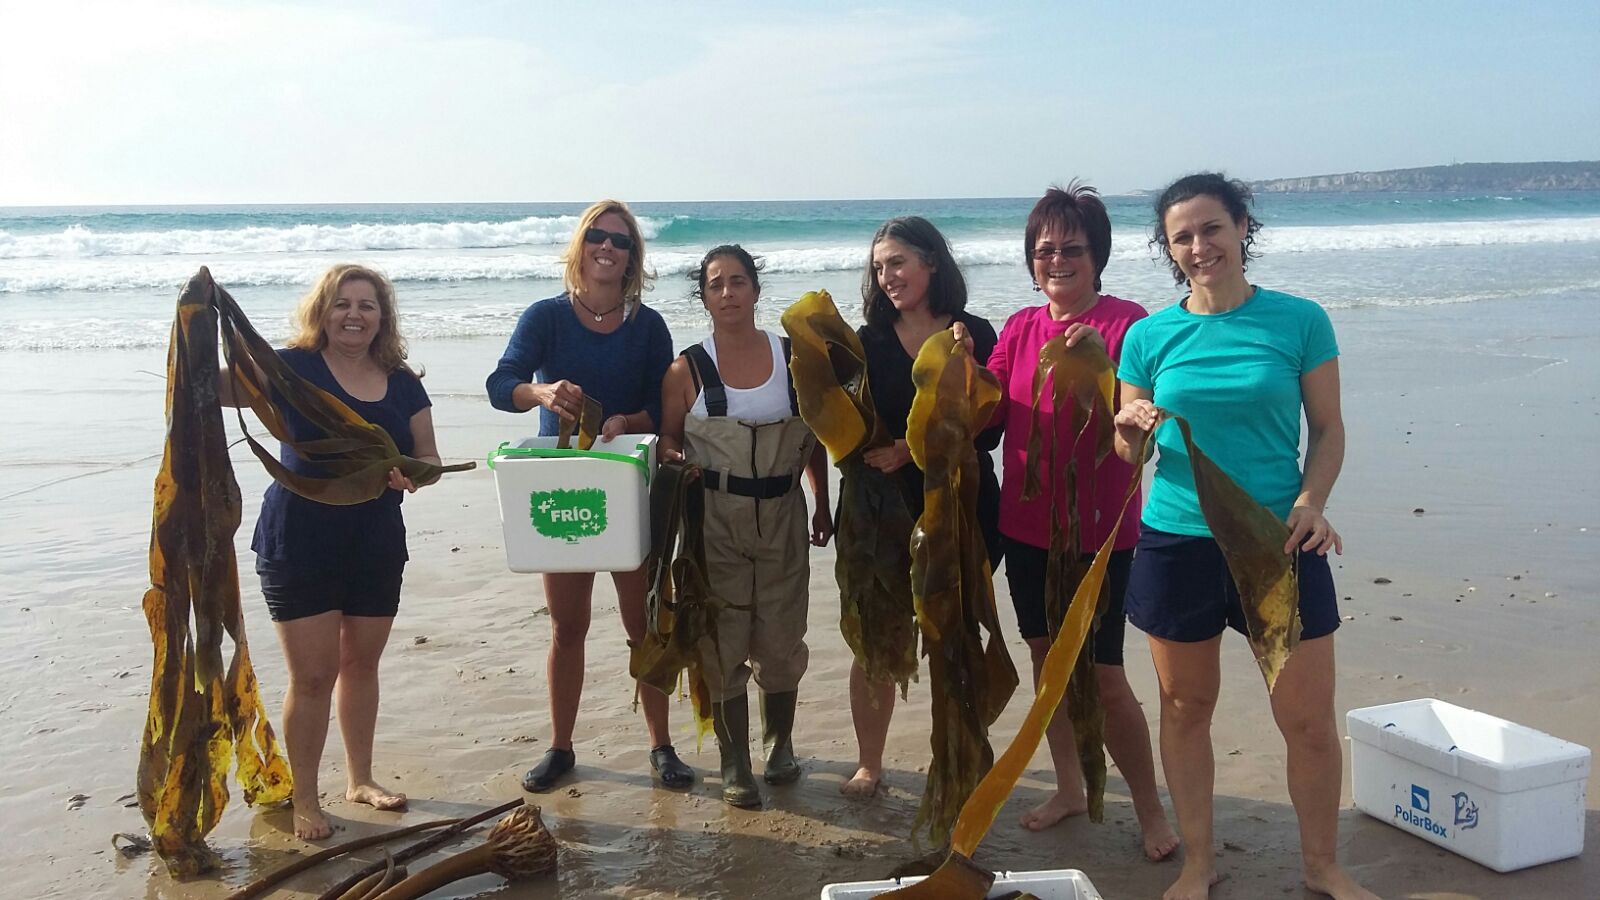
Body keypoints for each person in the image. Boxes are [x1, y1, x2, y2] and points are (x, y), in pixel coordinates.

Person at [1114, 174, 1375, 900]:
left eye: (1212, 229)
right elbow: (1127, 452)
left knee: (1307, 723)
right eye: (1183, 237)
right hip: (1177, 541)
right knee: (1184, 708)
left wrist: (1312, 501)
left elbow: (1327, 430)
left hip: (1278, 543)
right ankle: (1200, 863)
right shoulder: (1148, 337)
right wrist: (1127, 426)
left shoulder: (1299, 321)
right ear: (1169, 250)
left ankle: (1321, 865)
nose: (1200, 247)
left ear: (1242, 228)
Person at [974, 183, 1179, 860]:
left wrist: (1099, 361)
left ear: (1098, 256)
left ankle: (1150, 810)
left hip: (1101, 537)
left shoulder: (1129, 324)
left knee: (1103, 674)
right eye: (1044, 250)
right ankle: (1067, 787)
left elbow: (1135, 411)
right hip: (1025, 529)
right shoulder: (1020, 328)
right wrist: (952, 373)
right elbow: (989, 415)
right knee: (1044, 659)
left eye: (1071, 248)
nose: (1056, 259)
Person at [220, 263, 435, 841]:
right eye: (342, 303)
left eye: (367, 305)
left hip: (375, 538)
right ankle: (307, 799)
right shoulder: (292, 368)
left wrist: (409, 475)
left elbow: (430, 459)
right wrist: (198, 327)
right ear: (322, 310)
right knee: (313, 676)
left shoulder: (403, 381)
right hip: (300, 536)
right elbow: (215, 389)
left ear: (382, 317)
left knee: (361, 665)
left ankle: (360, 778)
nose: (355, 315)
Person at [485, 199, 689, 792]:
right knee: (567, 628)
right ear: (580, 246)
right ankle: (561, 746)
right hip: (562, 483)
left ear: (633, 258)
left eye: (620, 241)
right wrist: (541, 392)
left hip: (628, 481)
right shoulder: (545, 316)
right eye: (597, 236)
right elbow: (501, 385)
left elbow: (666, 405)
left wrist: (627, 420)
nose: (607, 247)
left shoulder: (647, 325)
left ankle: (661, 745)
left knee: (642, 625)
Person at [657, 245, 834, 807]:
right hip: (714, 521)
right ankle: (735, 764)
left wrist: (822, 502)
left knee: (782, 637)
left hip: (783, 515)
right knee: (721, 640)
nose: (728, 292)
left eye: (738, 281)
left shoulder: (792, 358)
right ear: (704, 296)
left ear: (756, 290)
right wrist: (672, 463)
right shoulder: (685, 368)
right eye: (715, 284)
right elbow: (668, 440)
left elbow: (815, 441)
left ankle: (779, 746)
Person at [842, 216, 1003, 798]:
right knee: (876, 641)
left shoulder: (975, 332)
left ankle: (955, 753)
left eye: (899, 263)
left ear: (932, 262)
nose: (887, 276)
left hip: (960, 510)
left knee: (952, 640)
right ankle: (870, 763)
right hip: (881, 517)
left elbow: (986, 434)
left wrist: (912, 451)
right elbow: (839, 428)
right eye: (879, 266)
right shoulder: (866, 342)